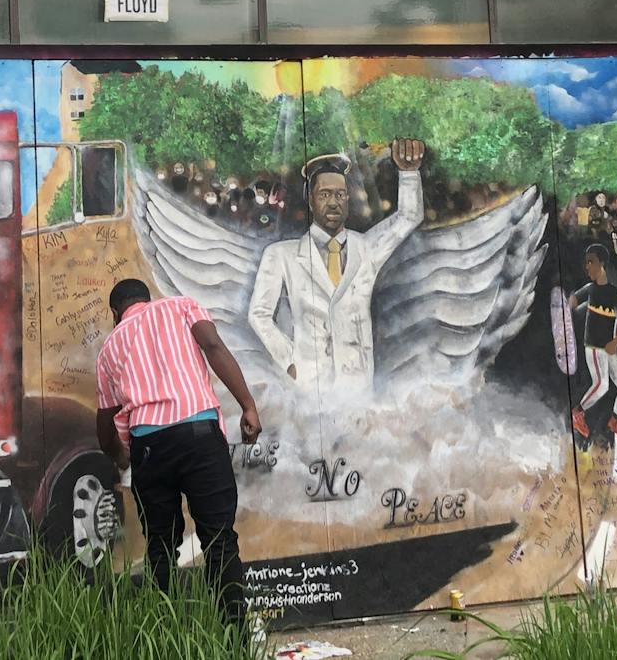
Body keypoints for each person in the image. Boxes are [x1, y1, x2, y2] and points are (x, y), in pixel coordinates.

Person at [95, 279, 262, 625]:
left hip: (148, 449)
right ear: (147, 299)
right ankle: (234, 641)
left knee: (160, 546)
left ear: (115, 312)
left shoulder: (110, 347)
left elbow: (105, 426)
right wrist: (247, 405)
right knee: (219, 541)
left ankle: (165, 636)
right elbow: (213, 345)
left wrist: (121, 456)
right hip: (199, 438)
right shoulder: (181, 306)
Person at [247, 140, 424, 393]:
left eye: (340, 195)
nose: (333, 202)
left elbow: (408, 217)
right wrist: (289, 361)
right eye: (324, 194)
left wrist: (409, 173)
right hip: (309, 389)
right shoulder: (280, 255)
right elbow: (259, 314)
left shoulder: (367, 248)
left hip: (358, 387)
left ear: (348, 199)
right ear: (310, 200)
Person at [569, 244, 617, 441]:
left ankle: (614, 420)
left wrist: (616, 342)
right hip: (595, 348)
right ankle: (578, 412)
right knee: (602, 384)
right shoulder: (589, 289)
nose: (587, 266)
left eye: (591, 262)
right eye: (586, 262)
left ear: (602, 264)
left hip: (608, 349)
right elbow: (572, 299)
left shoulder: (616, 295)